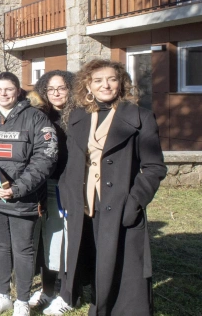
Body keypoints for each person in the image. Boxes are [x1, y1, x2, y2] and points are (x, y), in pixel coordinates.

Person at [44, 59, 166, 316]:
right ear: (88, 85)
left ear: (121, 83)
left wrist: (134, 202)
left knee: (120, 268)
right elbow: (73, 162)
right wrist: (67, 193)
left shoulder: (140, 117)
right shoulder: (78, 116)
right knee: (88, 259)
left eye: (111, 79)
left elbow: (154, 167)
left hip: (120, 206)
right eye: (98, 80)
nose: (105, 85)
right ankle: (81, 299)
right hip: (83, 205)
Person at [0, 72, 57, 316]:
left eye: (8, 89)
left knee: (24, 250)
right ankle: (3, 294)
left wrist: (18, 188)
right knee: (0, 246)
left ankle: (23, 300)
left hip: (23, 200)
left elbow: (45, 158)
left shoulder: (36, 118)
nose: (3, 93)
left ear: (17, 91)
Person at [29, 71, 75, 310]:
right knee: (49, 238)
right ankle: (47, 290)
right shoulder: (40, 116)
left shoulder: (80, 116)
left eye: (62, 88)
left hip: (74, 186)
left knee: (70, 240)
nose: (56, 93)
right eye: (51, 89)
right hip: (47, 183)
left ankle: (67, 294)